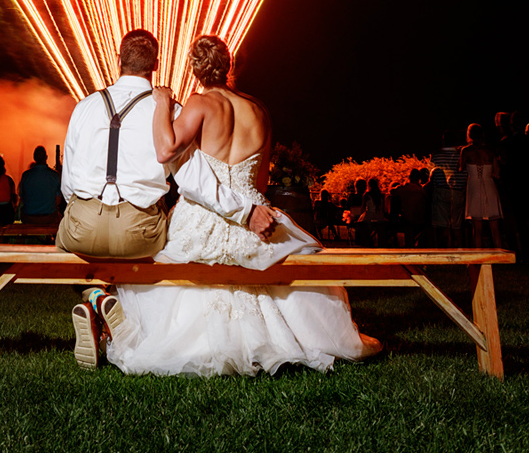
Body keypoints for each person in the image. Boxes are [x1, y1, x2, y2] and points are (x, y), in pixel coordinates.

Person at [103, 35, 381, 376]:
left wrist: (162, 103)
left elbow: (167, 148)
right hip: (254, 210)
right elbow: (261, 181)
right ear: (229, 65)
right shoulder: (259, 110)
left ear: (194, 70)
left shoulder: (199, 104)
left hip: (204, 215)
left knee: (169, 269)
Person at [57, 28, 279, 366]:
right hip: (138, 231)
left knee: (73, 242)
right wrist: (246, 211)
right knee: (158, 244)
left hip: (81, 228)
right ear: (156, 65)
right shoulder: (171, 109)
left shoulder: (84, 106)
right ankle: (108, 304)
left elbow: (68, 181)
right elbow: (194, 181)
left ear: (118, 60)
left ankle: (95, 295)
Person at [460, 124, 502, 248]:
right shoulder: (490, 151)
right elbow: (497, 173)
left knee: (477, 229)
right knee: (495, 228)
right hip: (489, 185)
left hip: (474, 186)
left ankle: (478, 258)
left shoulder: (466, 150)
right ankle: (499, 258)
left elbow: (460, 168)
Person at [19, 146, 61, 225]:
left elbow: (22, 198)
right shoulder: (55, 176)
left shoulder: (26, 175)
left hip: (29, 218)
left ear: (34, 158)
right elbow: (58, 200)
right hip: (49, 217)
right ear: (46, 157)